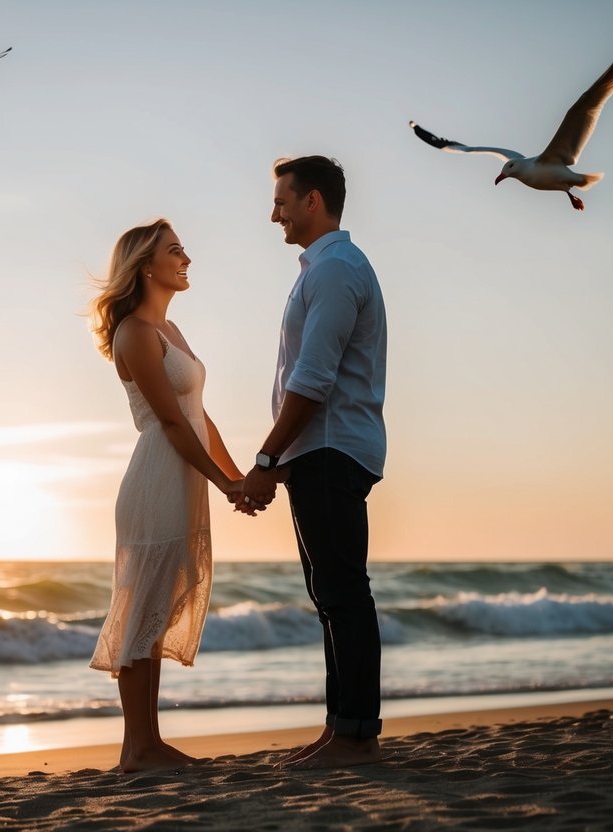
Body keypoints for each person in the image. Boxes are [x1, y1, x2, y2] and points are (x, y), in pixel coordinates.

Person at [238, 156, 387, 769]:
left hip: (330, 447)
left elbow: (314, 378)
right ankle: (341, 729)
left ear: (312, 201)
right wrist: (281, 459)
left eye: (281, 201)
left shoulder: (336, 270)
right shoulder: (321, 269)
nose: (273, 213)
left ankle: (356, 737)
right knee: (329, 595)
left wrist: (267, 457)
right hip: (317, 450)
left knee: (343, 595)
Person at [89, 218, 249, 772]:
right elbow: (172, 425)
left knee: (156, 611)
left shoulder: (172, 330)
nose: (186, 258)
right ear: (145, 266)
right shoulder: (134, 332)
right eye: (175, 250)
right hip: (158, 478)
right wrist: (225, 483)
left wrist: (241, 476)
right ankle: (137, 748)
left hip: (185, 477)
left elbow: (199, 417)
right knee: (142, 611)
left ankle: (148, 744)